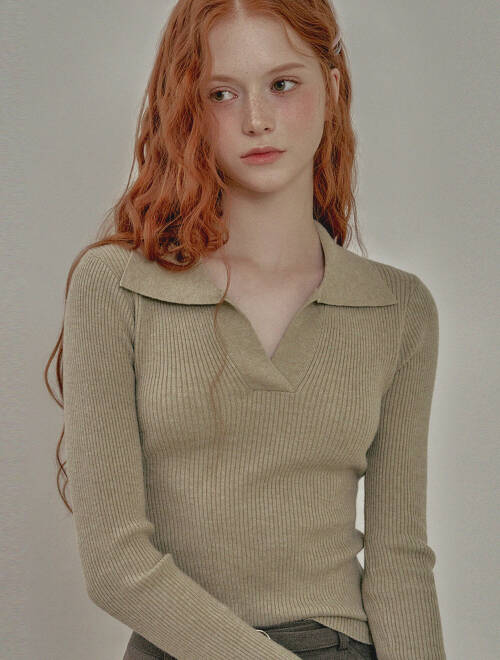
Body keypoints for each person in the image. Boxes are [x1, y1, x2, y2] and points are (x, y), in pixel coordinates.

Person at [45, 1, 447, 658]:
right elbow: (116, 564)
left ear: (331, 87)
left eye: (282, 84)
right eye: (222, 93)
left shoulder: (397, 310)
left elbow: (400, 563)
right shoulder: (116, 287)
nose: (256, 119)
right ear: (189, 107)